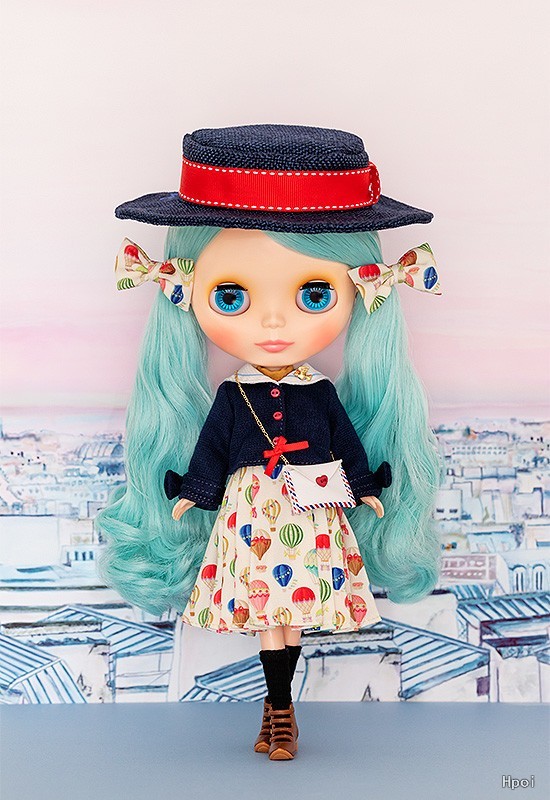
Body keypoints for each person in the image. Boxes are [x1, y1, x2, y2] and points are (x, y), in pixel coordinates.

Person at [96, 123, 443, 761]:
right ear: (185, 290)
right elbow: (213, 448)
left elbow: (345, 443)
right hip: (251, 515)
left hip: (309, 512)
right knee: (267, 614)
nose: (275, 322)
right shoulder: (233, 396)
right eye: (232, 296)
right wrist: (195, 492)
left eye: (315, 294)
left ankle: (280, 712)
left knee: (290, 614)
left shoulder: (320, 393)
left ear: (362, 290)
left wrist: (365, 488)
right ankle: (277, 709)